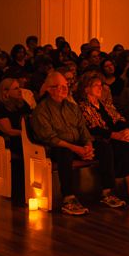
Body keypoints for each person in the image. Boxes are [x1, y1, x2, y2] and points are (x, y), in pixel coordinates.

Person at [28, 71, 95, 213]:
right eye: (60, 86)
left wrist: (88, 146)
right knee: (65, 152)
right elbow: (49, 138)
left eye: (66, 86)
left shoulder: (72, 107)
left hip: (77, 146)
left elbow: (83, 130)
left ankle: (107, 192)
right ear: (50, 89)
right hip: (56, 148)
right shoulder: (42, 110)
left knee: (104, 147)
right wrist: (76, 148)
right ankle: (68, 198)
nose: (65, 89)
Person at [76, 72, 129, 206]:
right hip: (97, 140)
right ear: (86, 89)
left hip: (113, 137)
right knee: (121, 146)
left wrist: (125, 130)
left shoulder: (104, 103)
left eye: (100, 85)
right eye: (96, 85)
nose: (100, 88)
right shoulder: (82, 106)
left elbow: (119, 118)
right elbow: (92, 128)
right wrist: (115, 135)